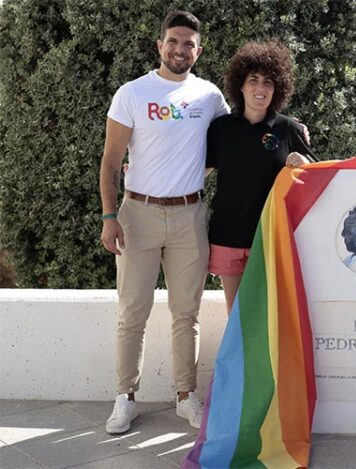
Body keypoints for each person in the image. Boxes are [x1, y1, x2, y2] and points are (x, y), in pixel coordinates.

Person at [99, 11, 229, 434]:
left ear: (198, 50)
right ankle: (125, 398)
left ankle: (185, 397)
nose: (180, 49)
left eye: (188, 43)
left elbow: (229, 143)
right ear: (160, 45)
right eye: (173, 41)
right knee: (131, 312)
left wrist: (290, 134)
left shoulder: (210, 96)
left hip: (190, 216)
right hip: (137, 214)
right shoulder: (133, 93)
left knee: (185, 314)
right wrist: (109, 215)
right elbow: (111, 160)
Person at [206, 40, 314, 313]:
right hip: (227, 234)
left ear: (277, 89)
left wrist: (304, 163)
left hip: (270, 236)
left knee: (268, 317)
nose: (260, 88)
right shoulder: (220, 128)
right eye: (253, 80)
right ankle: (237, 359)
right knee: (237, 315)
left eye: (268, 82)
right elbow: (196, 170)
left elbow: (314, 172)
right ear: (240, 85)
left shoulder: (288, 128)